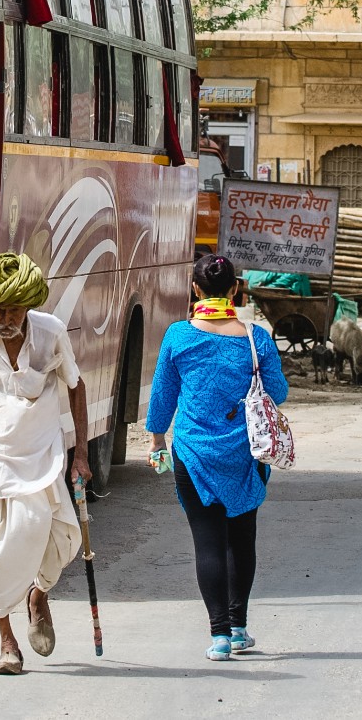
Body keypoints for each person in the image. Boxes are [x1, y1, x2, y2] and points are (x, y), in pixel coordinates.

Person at [0, 252, 90, 677]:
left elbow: (76, 388)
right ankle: (7, 641)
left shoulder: (51, 333)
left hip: (41, 446)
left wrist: (80, 454)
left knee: (60, 535)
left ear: (29, 305)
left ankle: (38, 596)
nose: (4, 317)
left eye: (12, 308)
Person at [146, 254, 288, 662]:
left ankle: (220, 637)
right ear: (234, 291)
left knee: (207, 542)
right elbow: (277, 392)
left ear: (194, 290)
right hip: (246, 454)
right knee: (241, 540)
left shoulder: (178, 336)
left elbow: (161, 399)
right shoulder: (256, 338)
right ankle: (240, 628)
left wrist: (157, 442)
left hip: (193, 454)